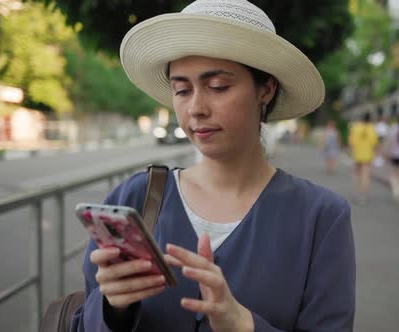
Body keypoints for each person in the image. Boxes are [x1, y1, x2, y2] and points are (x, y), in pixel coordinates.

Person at [70, 1, 356, 331]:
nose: (196, 108)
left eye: (218, 86)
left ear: (266, 88)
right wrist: (111, 308)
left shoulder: (321, 217)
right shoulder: (135, 197)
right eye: (181, 90)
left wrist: (243, 324)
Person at [349, 113, 378, 204]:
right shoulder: (372, 128)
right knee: (366, 176)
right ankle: (364, 196)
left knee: (357, 175)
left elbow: (351, 142)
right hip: (368, 155)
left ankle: (356, 193)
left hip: (357, 155)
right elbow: (375, 143)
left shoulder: (356, 127)